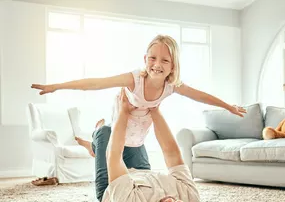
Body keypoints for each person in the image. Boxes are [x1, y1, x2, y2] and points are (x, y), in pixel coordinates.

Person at [31, 34, 246, 150]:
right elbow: (95, 83)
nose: (157, 64)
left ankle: (92, 143)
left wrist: (228, 106)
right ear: (145, 59)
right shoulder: (134, 80)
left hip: (138, 135)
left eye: (164, 60)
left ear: (173, 66)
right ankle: (97, 134)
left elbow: (200, 95)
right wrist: (56, 86)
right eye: (152, 58)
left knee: (122, 153)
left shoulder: (172, 86)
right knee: (106, 148)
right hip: (120, 124)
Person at [95, 88, 204, 202]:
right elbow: (172, 153)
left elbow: (114, 157)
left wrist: (123, 112)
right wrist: (155, 110)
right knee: (135, 133)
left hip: (110, 188)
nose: (171, 201)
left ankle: (96, 136)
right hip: (145, 175)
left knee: (106, 132)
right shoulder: (192, 199)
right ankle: (96, 146)